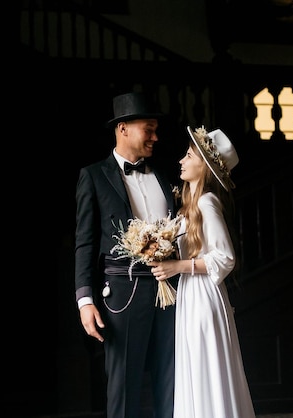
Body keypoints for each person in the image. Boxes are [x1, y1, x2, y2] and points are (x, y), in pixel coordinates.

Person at [74, 92, 177, 418]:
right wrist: (85, 300)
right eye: (149, 129)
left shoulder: (163, 175)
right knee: (124, 384)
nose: (155, 137)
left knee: (172, 379)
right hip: (122, 294)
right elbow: (85, 243)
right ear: (123, 129)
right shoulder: (93, 176)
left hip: (172, 292)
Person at [149, 126, 257, 418]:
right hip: (190, 294)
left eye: (188, 155)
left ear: (205, 167)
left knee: (206, 366)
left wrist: (177, 266)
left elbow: (225, 258)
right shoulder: (187, 206)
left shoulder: (207, 202)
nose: (181, 161)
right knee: (194, 369)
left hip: (204, 296)